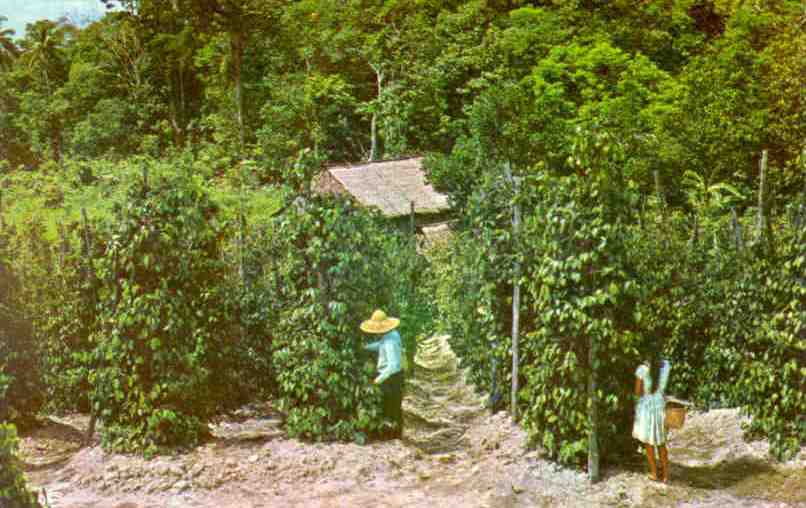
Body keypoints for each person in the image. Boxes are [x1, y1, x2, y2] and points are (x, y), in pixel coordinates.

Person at [362, 309, 404, 439]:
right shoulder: (392, 334)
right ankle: (395, 434)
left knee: (390, 407)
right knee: (393, 406)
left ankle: (392, 436)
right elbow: (380, 345)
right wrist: (365, 347)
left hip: (391, 377)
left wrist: (378, 380)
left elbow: (393, 365)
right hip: (394, 376)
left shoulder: (390, 341)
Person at [633, 357, 672, 483]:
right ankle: (666, 476)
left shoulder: (642, 370)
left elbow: (638, 392)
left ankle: (654, 473)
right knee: (661, 442)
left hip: (647, 408)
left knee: (648, 443)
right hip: (660, 405)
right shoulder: (665, 365)